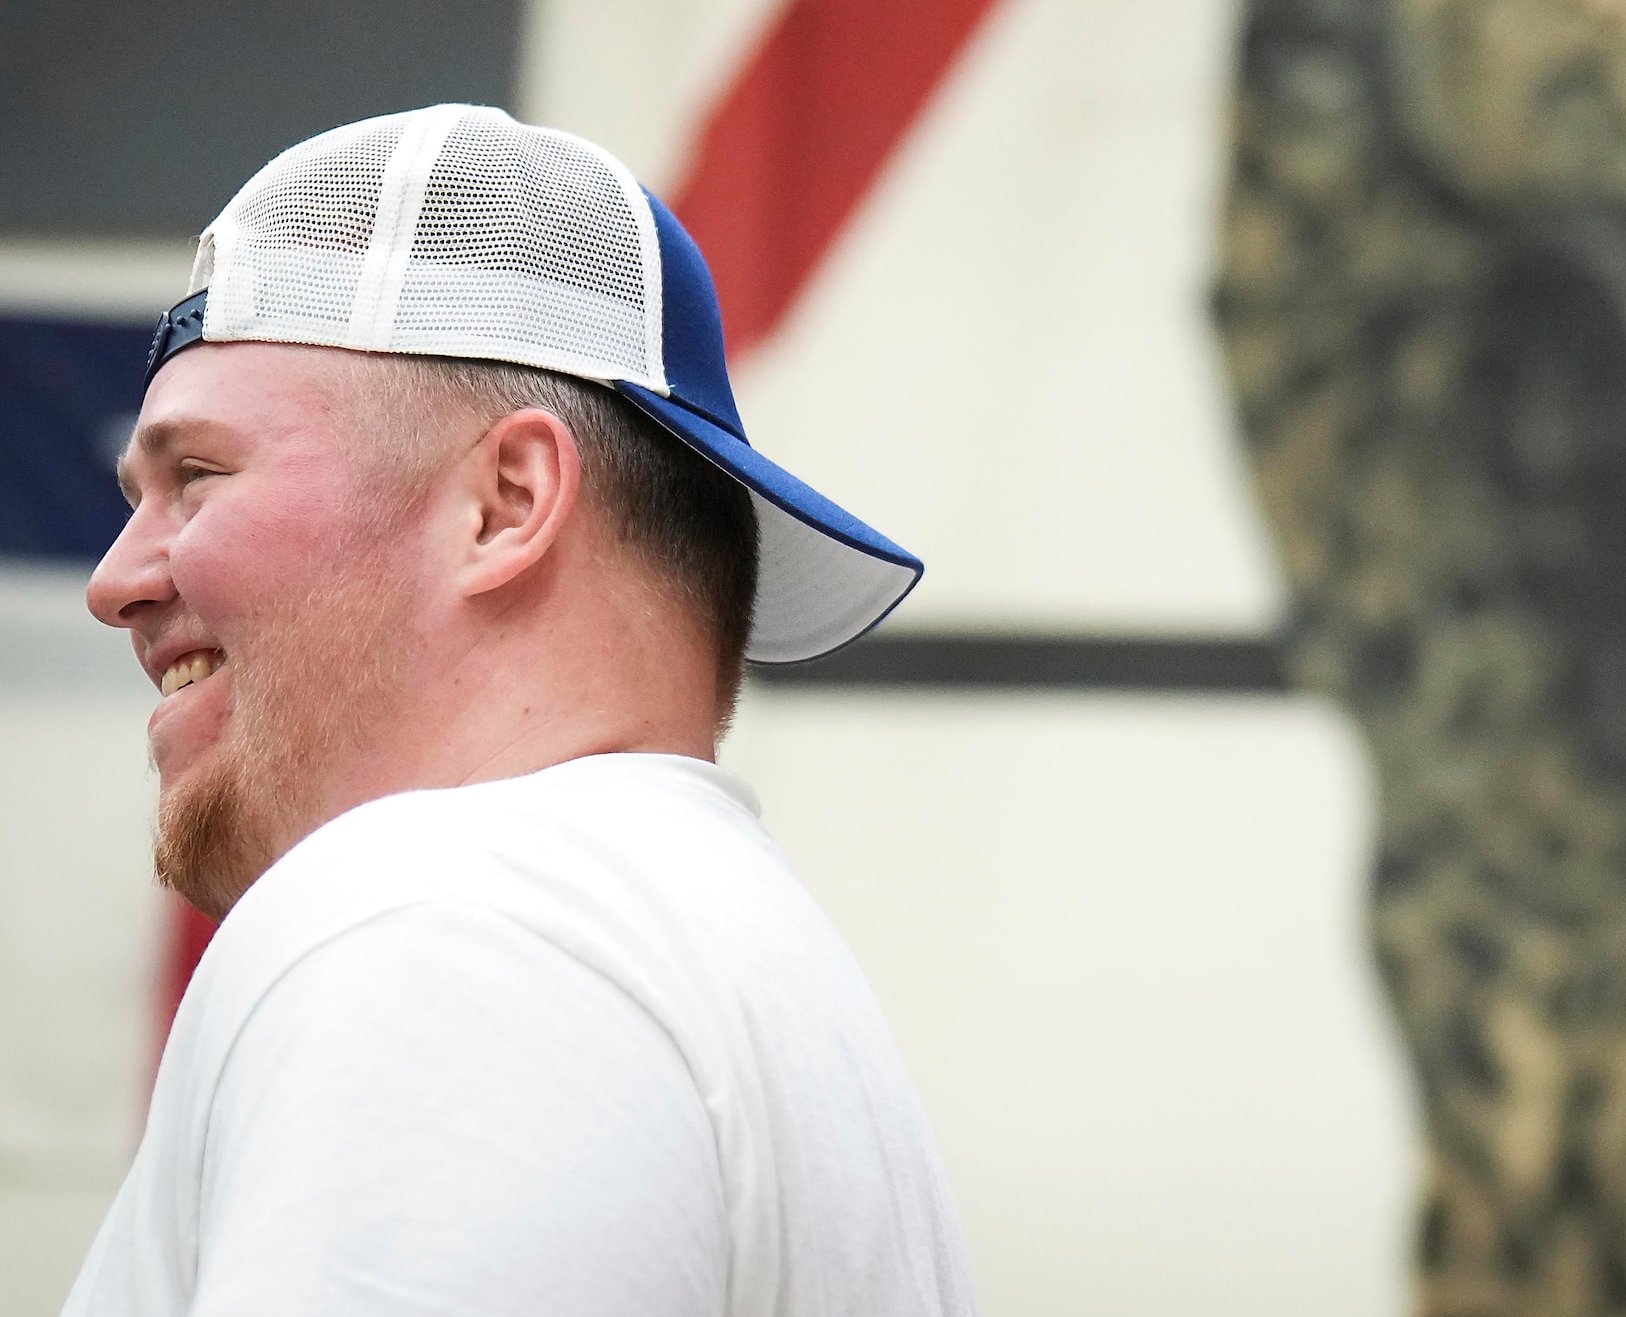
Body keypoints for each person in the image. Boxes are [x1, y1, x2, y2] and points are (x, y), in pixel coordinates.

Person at [63, 105, 975, 1316]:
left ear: (505, 503)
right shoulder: (721, 961)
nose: (115, 581)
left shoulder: (447, 926)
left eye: (200, 477)